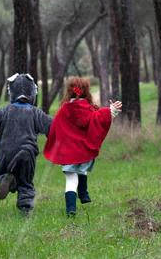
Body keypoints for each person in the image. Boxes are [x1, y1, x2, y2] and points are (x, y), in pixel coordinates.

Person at [0, 73, 52, 217]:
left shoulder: (4, 111)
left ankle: (8, 179)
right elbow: (52, 127)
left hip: (7, 152)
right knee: (25, 182)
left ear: (11, 92)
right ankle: (25, 210)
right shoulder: (35, 113)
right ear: (33, 93)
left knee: (7, 171)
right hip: (27, 152)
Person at [43, 77, 122, 216]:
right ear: (86, 92)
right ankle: (84, 193)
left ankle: (71, 208)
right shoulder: (89, 109)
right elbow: (98, 120)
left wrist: (54, 143)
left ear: (69, 92)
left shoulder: (62, 111)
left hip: (68, 153)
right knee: (82, 166)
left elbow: (54, 128)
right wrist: (111, 111)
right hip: (82, 150)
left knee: (71, 179)